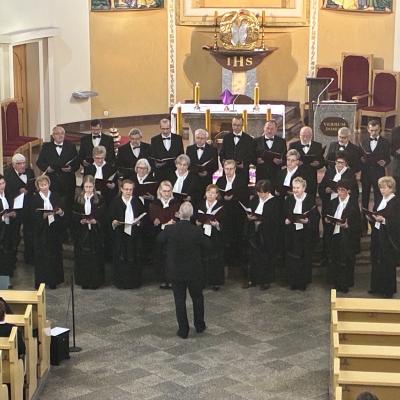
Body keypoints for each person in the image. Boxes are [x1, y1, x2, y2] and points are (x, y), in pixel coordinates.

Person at [157, 202, 207, 339]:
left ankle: (183, 330)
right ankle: (199, 325)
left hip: (176, 271)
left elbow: (159, 239)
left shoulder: (170, 229)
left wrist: (166, 227)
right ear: (191, 214)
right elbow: (207, 244)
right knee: (197, 298)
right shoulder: (196, 230)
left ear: (179, 213)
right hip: (194, 271)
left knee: (179, 300)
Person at [36, 125, 79, 233]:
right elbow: (39, 162)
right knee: (54, 206)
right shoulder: (46, 146)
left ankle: (68, 231)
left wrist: (71, 168)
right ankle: (54, 230)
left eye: (62, 133)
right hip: (53, 183)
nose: (60, 135)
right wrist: (47, 168)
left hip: (68, 183)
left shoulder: (71, 146)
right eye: (57, 133)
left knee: (68, 206)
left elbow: (77, 163)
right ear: (53, 135)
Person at [324, 180, 361, 293]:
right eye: (338, 190)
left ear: (348, 191)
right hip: (335, 234)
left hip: (347, 236)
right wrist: (328, 220)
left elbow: (357, 223)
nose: (340, 192)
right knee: (335, 258)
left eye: (342, 190)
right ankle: (336, 282)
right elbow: (327, 214)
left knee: (345, 259)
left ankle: (345, 283)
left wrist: (347, 225)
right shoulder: (333, 202)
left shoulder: (353, 204)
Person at [109, 179, 146, 289]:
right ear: (121, 189)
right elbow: (110, 217)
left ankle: (134, 282)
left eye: (130, 189)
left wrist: (139, 222)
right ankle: (121, 282)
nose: (128, 192)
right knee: (121, 257)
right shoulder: (115, 202)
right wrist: (114, 222)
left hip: (134, 235)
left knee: (133, 257)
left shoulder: (136, 201)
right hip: (120, 235)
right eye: (126, 189)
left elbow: (143, 216)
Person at [367, 176, 400, 298]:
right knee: (376, 259)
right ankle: (376, 287)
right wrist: (371, 217)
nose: (382, 190)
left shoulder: (395, 202)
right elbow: (376, 212)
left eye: (384, 188)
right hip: (377, 233)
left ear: (391, 188)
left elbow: (396, 221)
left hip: (387, 236)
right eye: (380, 188)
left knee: (387, 262)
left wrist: (384, 220)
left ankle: (388, 290)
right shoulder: (380, 200)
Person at [284, 177, 319, 290]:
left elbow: (315, 215)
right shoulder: (289, 199)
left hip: (305, 232)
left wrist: (308, 221)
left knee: (304, 257)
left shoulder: (310, 199)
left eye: (298, 188)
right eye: (294, 188)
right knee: (292, 257)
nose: (295, 190)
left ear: (304, 188)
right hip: (292, 232)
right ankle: (293, 281)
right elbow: (284, 213)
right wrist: (286, 220)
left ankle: (303, 282)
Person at [244, 179, 279, 290]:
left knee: (266, 257)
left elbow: (275, 219)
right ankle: (252, 279)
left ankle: (265, 280)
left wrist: (262, 220)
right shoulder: (255, 199)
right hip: (254, 232)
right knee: (253, 257)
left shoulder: (274, 202)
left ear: (268, 191)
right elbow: (250, 210)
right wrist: (249, 217)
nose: (260, 194)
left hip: (267, 234)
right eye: (258, 192)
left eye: (262, 192)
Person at [31, 175, 65, 289]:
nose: (44, 187)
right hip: (41, 231)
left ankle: (53, 281)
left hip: (54, 229)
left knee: (54, 255)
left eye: (45, 185)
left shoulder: (55, 195)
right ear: (38, 187)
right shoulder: (35, 198)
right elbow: (32, 214)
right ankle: (41, 281)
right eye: (41, 185)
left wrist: (60, 212)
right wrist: (42, 216)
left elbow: (61, 210)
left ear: (49, 184)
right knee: (42, 256)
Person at [72, 175, 105, 289]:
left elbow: (103, 214)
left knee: (95, 257)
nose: (88, 189)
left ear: (94, 186)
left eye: (90, 187)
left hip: (95, 232)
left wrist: (96, 221)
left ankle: (95, 281)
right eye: (86, 187)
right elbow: (74, 214)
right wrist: (80, 220)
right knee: (83, 257)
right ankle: (84, 281)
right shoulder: (78, 199)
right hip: (82, 232)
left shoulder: (99, 198)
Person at [216, 159, 249, 271]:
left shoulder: (241, 179)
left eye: (231, 169)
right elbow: (217, 195)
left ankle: (238, 260)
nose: (229, 171)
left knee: (238, 235)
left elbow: (245, 195)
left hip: (238, 212)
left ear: (235, 169)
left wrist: (233, 197)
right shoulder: (220, 180)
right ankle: (227, 260)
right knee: (226, 236)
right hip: (225, 212)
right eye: (226, 169)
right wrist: (222, 197)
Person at [4, 153, 36, 264]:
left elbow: (33, 186)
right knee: (14, 234)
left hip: (28, 207)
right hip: (15, 209)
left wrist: (28, 190)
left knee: (29, 232)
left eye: (24, 163)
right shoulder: (8, 175)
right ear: (13, 165)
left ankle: (29, 257)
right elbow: (7, 192)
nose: (22, 165)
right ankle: (12, 258)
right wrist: (19, 191)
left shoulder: (30, 172)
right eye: (19, 163)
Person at [149, 180, 180, 289]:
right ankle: (162, 279)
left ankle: (171, 279)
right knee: (160, 256)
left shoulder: (176, 203)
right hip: (159, 233)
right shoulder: (155, 203)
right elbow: (152, 218)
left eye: (168, 191)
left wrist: (175, 219)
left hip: (172, 233)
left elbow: (178, 217)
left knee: (171, 257)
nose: (166, 193)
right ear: (160, 191)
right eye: (164, 191)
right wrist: (155, 221)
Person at [195, 184, 224, 291]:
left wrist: (217, 224)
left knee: (215, 258)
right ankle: (202, 281)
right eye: (208, 192)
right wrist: (197, 222)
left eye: (213, 193)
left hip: (215, 234)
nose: (210, 195)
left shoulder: (221, 206)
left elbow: (225, 222)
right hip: (202, 233)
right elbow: (195, 217)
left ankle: (215, 282)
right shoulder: (200, 204)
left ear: (217, 195)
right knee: (202, 257)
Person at [360, 120, 391, 211]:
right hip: (366, 173)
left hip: (379, 174)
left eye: (376, 130)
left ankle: (376, 215)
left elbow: (388, 158)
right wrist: (361, 160)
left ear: (380, 129)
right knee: (364, 196)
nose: (373, 133)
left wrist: (385, 162)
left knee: (378, 196)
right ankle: (364, 216)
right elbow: (359, 156)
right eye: (371, 130)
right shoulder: (363, 142)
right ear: (368, 129)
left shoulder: (385, 142)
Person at [289, 126, 324, 198]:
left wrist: (318, 164)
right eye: (303, 136)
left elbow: (322, 161)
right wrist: (295, 163)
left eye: (307, 136)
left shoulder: (317, 145)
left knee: (311, 199)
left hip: (311, 179)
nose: (305, 138)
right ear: (299, 135)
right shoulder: (293, 145)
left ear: (311, 136)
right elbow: (288, 161)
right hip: (297, 178)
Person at [219, 116, 256, 180]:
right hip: (228, 172)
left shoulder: (249, 139)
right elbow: (222, 153)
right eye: (234, 125)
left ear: (242, 125)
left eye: (238, 125)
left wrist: (243, 164)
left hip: (242, 173)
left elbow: (251, 155)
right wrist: (224, 163)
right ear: (231, 124)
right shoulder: (226, 138)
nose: (236, 127)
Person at [255, 119, 287, 190]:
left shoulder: (282, 142)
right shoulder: (256, 141)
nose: (269, 131)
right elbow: (251, 156)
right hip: (261, 175)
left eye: (272, 129)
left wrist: (281, 162)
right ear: (264, 128)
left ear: (276, 130)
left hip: (276, 176)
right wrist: (256, 160)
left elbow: (285, 159)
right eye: (267, 128)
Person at [186, 128, 218, 194]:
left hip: (206, 181)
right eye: (198, 138)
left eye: (202, 138)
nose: (199, 140)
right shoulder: (189, 149)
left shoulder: (213, 150)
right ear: (195, 138)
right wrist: (196, 172)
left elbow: (215, 166)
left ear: (206, 139)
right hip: (193, 181)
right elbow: (188, 165)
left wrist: (207, 172)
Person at [0, 175, 17, 284]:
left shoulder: (7, 195)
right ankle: (3, 282)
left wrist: (13, 213)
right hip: (1, 231)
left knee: (7, 255)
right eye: (0, 184)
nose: (2, 186)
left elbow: (11, 208)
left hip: (8, 229)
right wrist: (3, 216)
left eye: (3, 183)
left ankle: (7, 280)